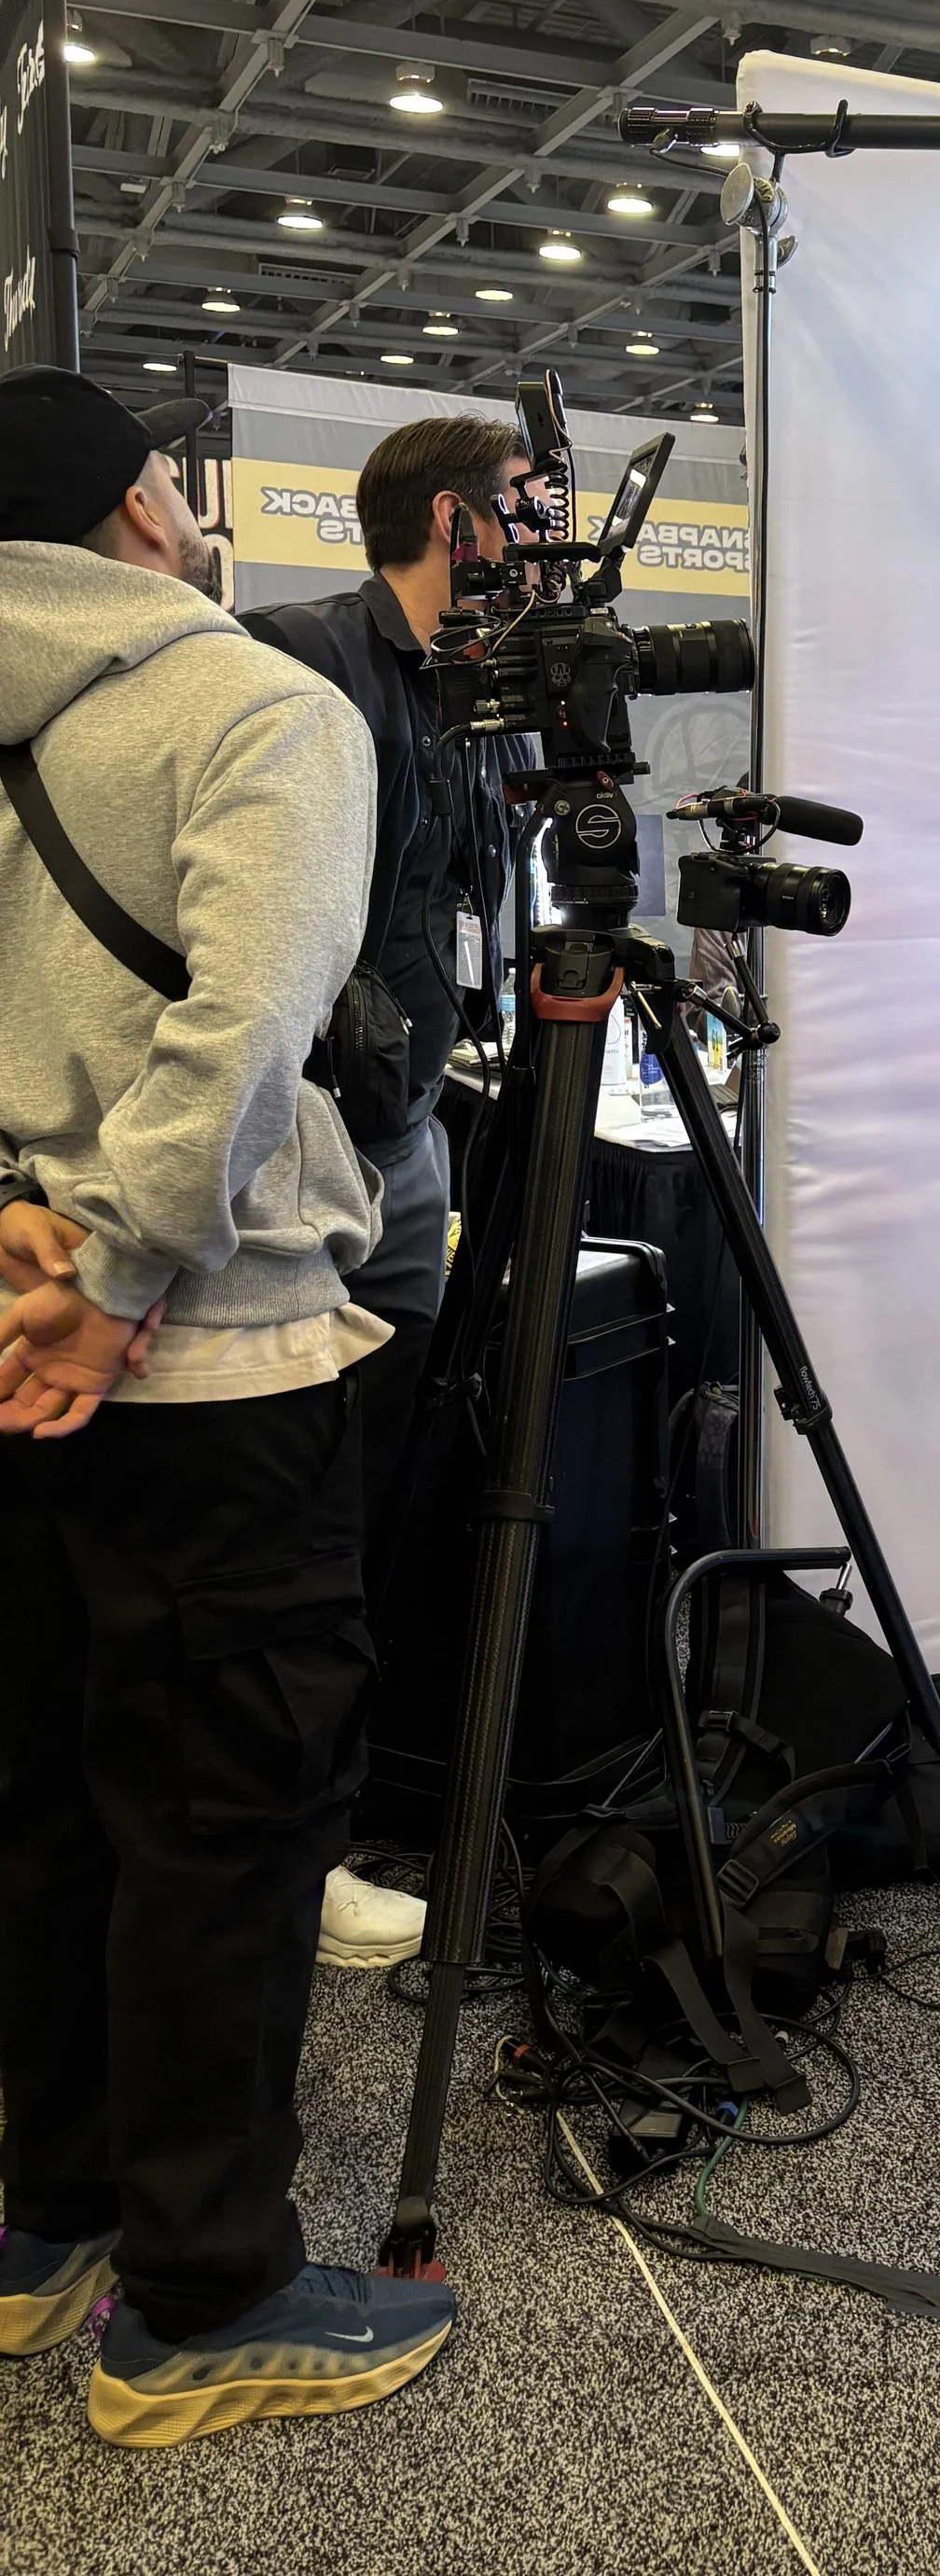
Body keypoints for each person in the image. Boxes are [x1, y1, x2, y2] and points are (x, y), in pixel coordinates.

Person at [0, 366, 455, 2444]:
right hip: (197, 1349)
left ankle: (45, 2214)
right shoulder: (259, 704)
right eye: (174, 482)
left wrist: (27, 1255)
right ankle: (200, 2297)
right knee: (224, 1809)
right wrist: (107, 1273)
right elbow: (248, 1028)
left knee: (45, 1793)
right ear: (139, 510)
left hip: (11, 1333)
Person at [245, 416, 527, 1972]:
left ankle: (339, 1809)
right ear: (452, 519)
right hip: (311, 1139)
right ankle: (292, 1840)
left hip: (411, 1130)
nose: (532, 546)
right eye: (515, 516)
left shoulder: (468, 695)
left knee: (379, 1481)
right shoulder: (299, 656)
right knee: (305, 1495)